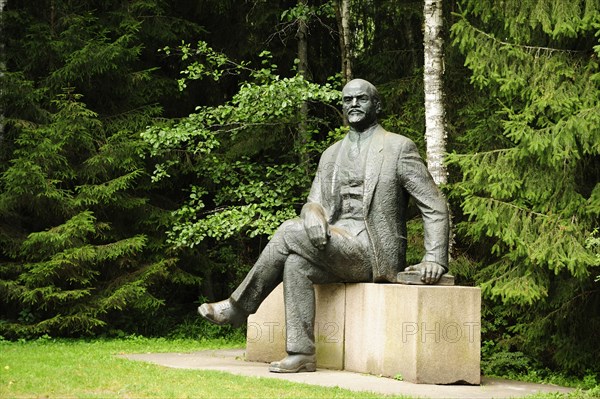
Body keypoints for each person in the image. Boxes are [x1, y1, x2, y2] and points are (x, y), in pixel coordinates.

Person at [199, 78, 449, 373]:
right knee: (295, 263)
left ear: (377, 105)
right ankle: (301, 353)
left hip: (373, 250)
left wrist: (434, 258)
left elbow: (434, 205)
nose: (353, 104)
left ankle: (238, 307)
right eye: (347, 100)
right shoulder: (331, 154)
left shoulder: (398, 148)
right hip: (337, 242)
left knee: (289, 231)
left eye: (361, 99)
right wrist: (312, 214)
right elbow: (313, 202)